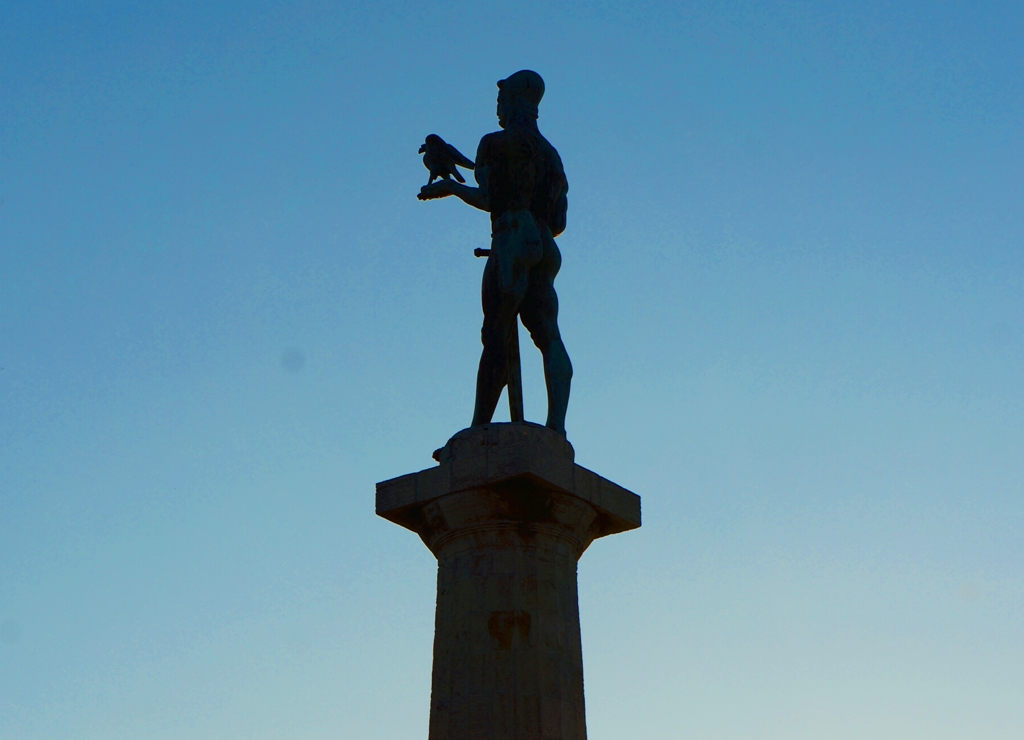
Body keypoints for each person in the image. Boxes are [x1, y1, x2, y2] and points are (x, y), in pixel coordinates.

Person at [418, 70, 573, 434]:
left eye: (500, 100)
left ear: (513, 101)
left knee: (496, 334)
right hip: (545, 244)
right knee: (548, 336)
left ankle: (478, 429)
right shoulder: (551, 155)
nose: (497, 108)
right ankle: (557, 429)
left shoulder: (494, 144)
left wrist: (452, 190)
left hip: (512, 236)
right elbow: (559, 219)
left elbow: (489, 198)